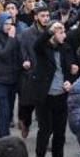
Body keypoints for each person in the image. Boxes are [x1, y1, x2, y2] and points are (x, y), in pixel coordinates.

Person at [27, 22, 75, 157]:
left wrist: (71, 77)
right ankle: (40, 156)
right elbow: (37, 44)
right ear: (54, 34)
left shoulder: (66, 48)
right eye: (60, 33)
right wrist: (50, 31)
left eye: (64, 32)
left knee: (60, 132)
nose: (64, 35)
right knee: (45, 130)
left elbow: (71, 68)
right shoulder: (43, 48)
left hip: (61, 96)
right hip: (44, 96)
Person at [17, 8, 50, 138]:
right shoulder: (27, 33)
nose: (46, 18)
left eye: (47, 15)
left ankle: (45, 136)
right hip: (31, 75)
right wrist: (25, 61)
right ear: (36, 17)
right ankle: (25, 123)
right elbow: (23, 51)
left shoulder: (50, 31)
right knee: (28, 106)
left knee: (44, 111)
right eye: (43, 16)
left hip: (47, 75)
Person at [0, 13, 22, 138]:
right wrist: (11, 38)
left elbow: (18, 53)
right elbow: (3, 53)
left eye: (11, 24)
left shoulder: (12, 36)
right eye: (6, 24)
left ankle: (4, 130)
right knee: (4, 109)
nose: (9, 26)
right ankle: (4, 136)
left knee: (9, 109)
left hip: (12, 77)